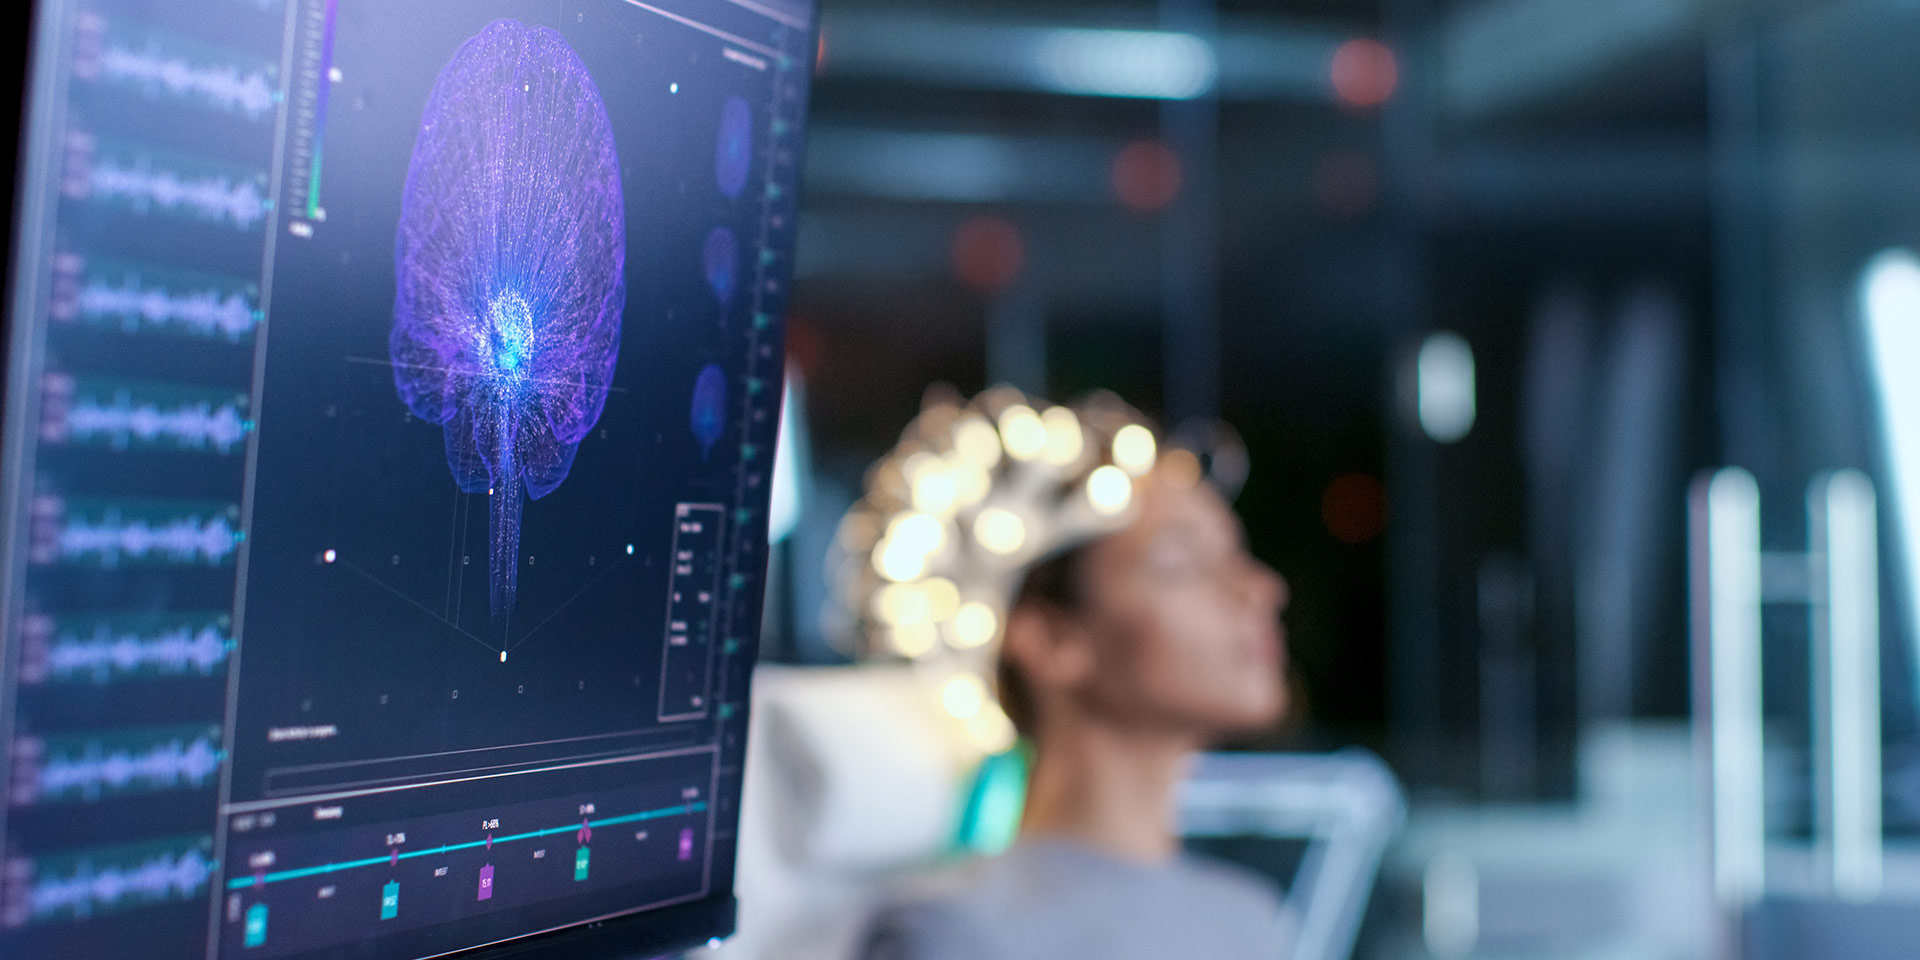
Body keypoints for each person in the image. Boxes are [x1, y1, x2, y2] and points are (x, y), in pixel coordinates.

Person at [852, 462, 1295, 960]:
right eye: (1182, 565)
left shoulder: (1247, 919)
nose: (1260, 590)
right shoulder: (950, 931)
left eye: (1238, 558)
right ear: (1051, 639)